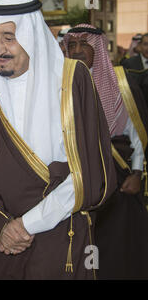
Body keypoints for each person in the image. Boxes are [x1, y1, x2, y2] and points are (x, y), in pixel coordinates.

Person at [0, 0, 116, 279]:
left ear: (31, 36)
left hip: (59, 230)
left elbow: (88, 173)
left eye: (8, 38)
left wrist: (27, 224)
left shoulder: (72, 79)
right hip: (0, 237)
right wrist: (2, 226)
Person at [64, 24, 148, 279]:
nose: (77, 51)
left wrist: (137, 173)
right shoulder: (59, 86)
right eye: (72, 46)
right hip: (75, 183)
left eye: (84, 45)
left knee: (117, 251)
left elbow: (137, 135)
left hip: (118, 182)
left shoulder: (120, 81)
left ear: (97, 49)